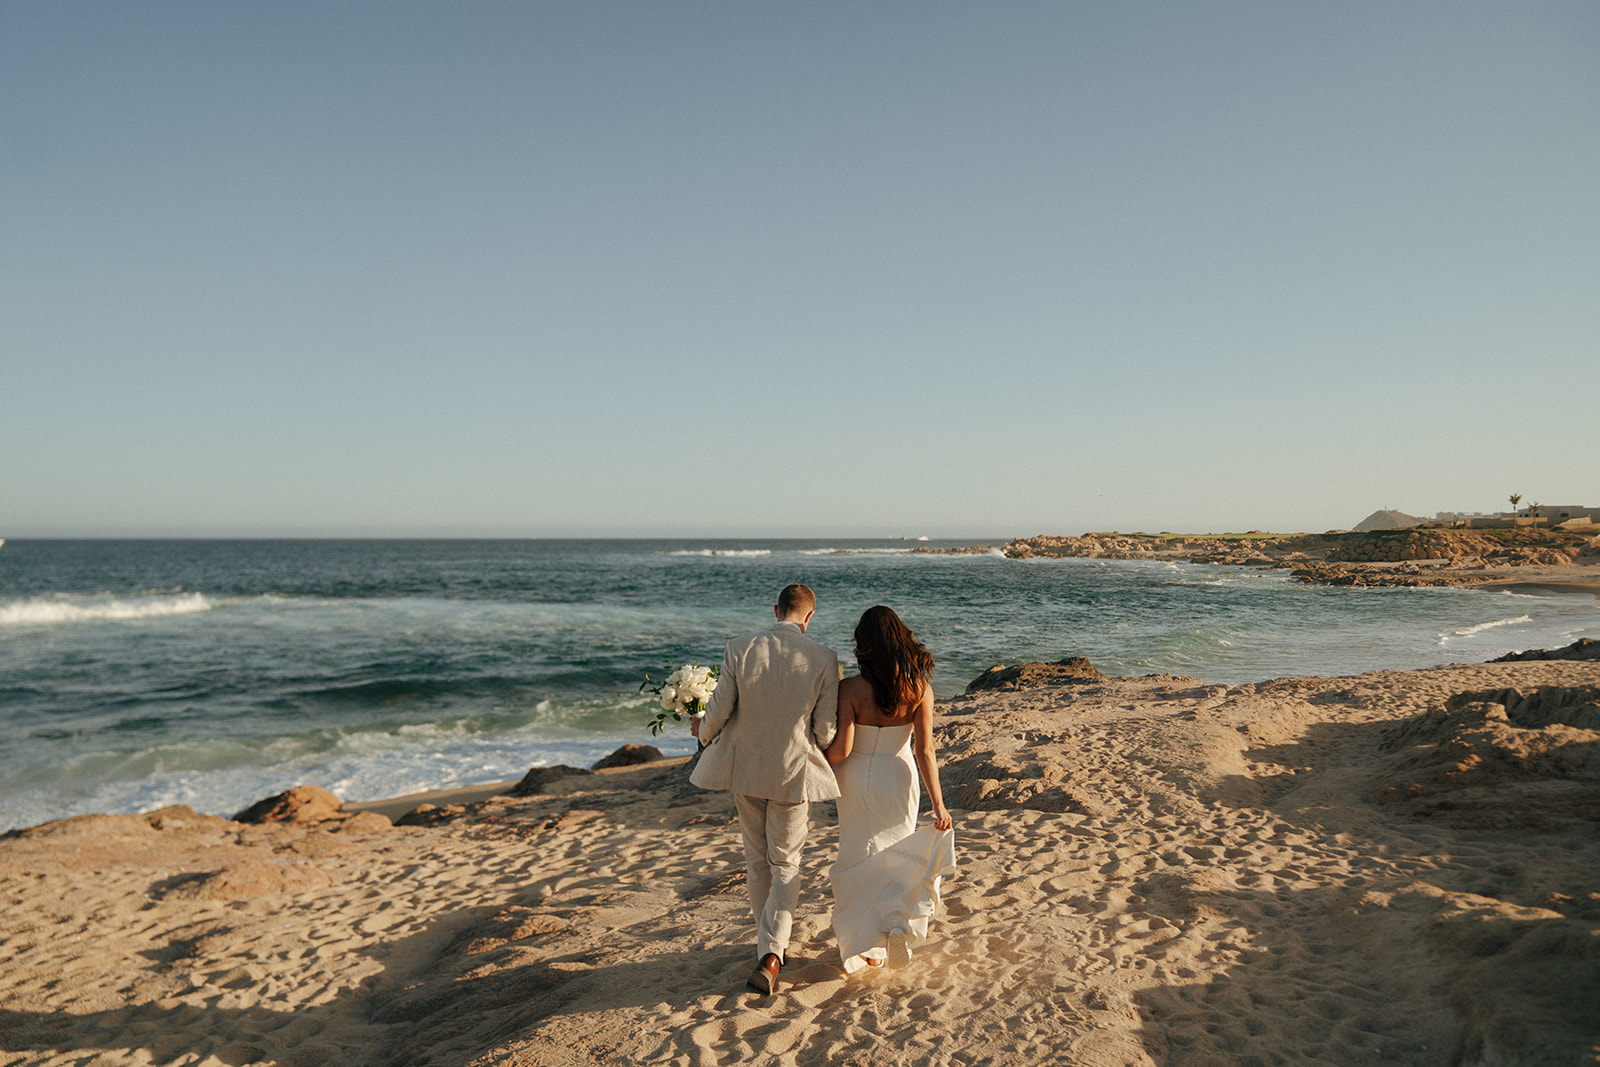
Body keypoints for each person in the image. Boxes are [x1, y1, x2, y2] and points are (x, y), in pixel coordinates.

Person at [689, 583, 841, 996]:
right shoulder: (826, 658)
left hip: (746, 771)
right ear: (809, 617)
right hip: (793, 772)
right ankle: (772, 954)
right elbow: (826, 729)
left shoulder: (739, 648)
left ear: (776, 611)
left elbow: (719, 709)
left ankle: (768, 948)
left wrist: (701, 730)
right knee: (786, 864)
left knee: (757, 862)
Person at [826, 605, 956, 974]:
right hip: (901, 775)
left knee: (857, 855)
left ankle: (867, 944)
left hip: (855, 776)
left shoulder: (849, 688)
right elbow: (925, 751)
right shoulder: (920, 688)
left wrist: (808, 765)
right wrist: (939, 805)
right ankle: (896, 926)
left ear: (863, 645)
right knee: (896, 853)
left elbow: (842, 751)